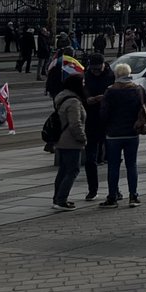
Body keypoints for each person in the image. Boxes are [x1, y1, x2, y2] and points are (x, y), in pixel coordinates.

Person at [99, 62, 146, 208]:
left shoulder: (110, 91)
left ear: (116, 75)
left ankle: (112, 197)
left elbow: (103, 113)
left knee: (113, 167)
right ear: (129, 74)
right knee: (131, 165)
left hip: (113, 135)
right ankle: (133, 196)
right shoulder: (138, 89)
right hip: (132, 133)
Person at [51, 73, 88, 210]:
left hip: (61, 139)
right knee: (73, 170)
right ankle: (61, 200)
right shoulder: (73, 102)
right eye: (82, 83)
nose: (84, 85)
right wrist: (83, 138)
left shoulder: (62, 97)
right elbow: (75, 124)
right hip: (71, 141)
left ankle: (57, 198)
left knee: (63, 170)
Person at [82, 53, 114, 201]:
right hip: (91, 121)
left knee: (112, 158)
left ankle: (114, 191)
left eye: (97, 69)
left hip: (108, 122)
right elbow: (83, 91)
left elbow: (115, 94)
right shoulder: (86, 75)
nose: (95, 72)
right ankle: (92, 189)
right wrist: (87, 98)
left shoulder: (111, 75)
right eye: (92, 69)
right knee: (90, 159)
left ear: (103, 65)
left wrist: (105, 97)